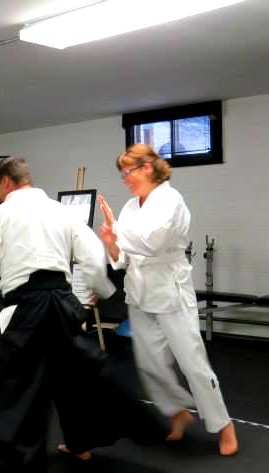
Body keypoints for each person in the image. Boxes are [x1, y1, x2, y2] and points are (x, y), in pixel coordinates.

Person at [0, 157, 155, 473]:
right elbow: (92, 254)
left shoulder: (1, 215)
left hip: (28, 308)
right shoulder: (61, 212)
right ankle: (82, 442)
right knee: (73, 376)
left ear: (5, 182)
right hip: (64, 304)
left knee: (17, 393)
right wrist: (101, 289)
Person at [97, 143, 238, 456]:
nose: (125, 180)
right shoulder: (130, 207)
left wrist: (117, 231)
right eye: (123, 174)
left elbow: (153, 244)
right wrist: (110, 243)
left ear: (147, 167)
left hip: (170, 291)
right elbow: (123, 258)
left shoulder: (171, 201)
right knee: (150, 365)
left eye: (128, 172)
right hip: (139, 292)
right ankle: (177, 412)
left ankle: (223, 425)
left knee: (192, 363)